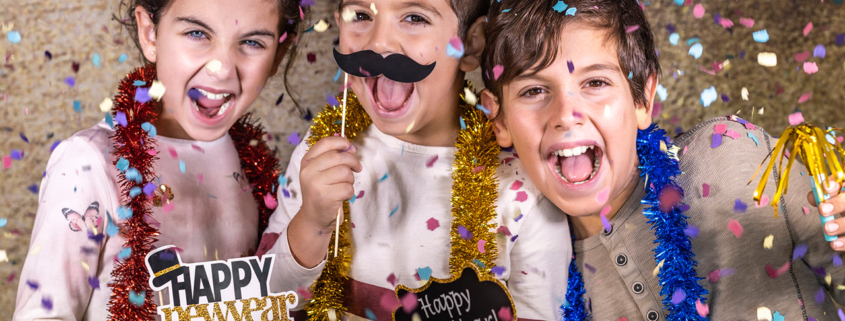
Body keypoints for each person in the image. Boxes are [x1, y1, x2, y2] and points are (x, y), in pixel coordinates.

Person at [479, 0, 845, 320]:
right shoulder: (538, 279)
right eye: (534, 90)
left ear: (643, 99)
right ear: (499, 120)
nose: (566, 113)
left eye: (595, 83)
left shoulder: (730, 157)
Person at [258, 0, 570, 319]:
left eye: (414, 18)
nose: (378, 42)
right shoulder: (322, 151)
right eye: (361, 16)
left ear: (471, 44)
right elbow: (264, 300)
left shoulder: (522, 192)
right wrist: (311, 224)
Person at [14, 0, 304, 319]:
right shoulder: (88, 162)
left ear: (278, 53)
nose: (221, 68)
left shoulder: (254, 165)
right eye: (197, 33)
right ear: (150, 33)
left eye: (251, 42)